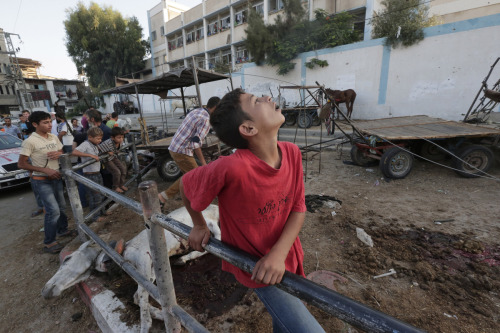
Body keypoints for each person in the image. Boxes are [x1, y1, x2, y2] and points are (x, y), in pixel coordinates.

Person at [180, 89, 325, 332]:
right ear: (248, 129)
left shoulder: (292, 153)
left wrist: (279, 254)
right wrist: (199, 224)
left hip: (286, 255)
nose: (268, 98)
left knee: (285, 322)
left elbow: (299, 207)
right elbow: (187, 185)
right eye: (257, 100)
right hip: (258, 267)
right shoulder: (231, 167)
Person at [17, 111, 76, 254]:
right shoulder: (30, 141)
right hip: (41, 181)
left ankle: (63, 230)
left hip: (55, 177)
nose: (50, 125)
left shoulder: (53, 137)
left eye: (50, 121)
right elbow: (21, 164)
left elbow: (61, 151)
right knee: (53, 211)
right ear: (35, 124)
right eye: (45, 122)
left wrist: (59, 154)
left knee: (62, 207)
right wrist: (45, 171)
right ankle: (49, 242)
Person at [157, 96, 220, 205]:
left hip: (175, 146)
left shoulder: (198, 110)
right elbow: (195, 143)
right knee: (196, 176)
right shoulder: (206, 120)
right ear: (215, 107)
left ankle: (189, 196)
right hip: (182, 150)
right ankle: (163, 196)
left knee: (189, 176)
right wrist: (204, 163)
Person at [71, 127, 105, 222]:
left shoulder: (93, 144)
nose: (100, 140)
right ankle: (95, 216)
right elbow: (74, 152)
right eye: (98, 138)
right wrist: (90, 155)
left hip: (97, 172)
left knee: (101, 194)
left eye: (100, 138)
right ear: (90, 137)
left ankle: (102, 211)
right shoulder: (85, 144)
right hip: (90, 174)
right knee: (95, 196)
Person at [98, 127, 128, 193]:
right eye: (119, 137)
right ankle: (115, 187)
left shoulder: (120, 142)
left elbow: (118, 149)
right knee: (117, 172)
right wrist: (107, 152)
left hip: (114, 157)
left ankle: (121, 184)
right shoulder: (107, 143)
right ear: (112, 137)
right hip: (107, 159)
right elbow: (98, 148)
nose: (121, 139)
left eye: (122, 137)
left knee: (123, 169)